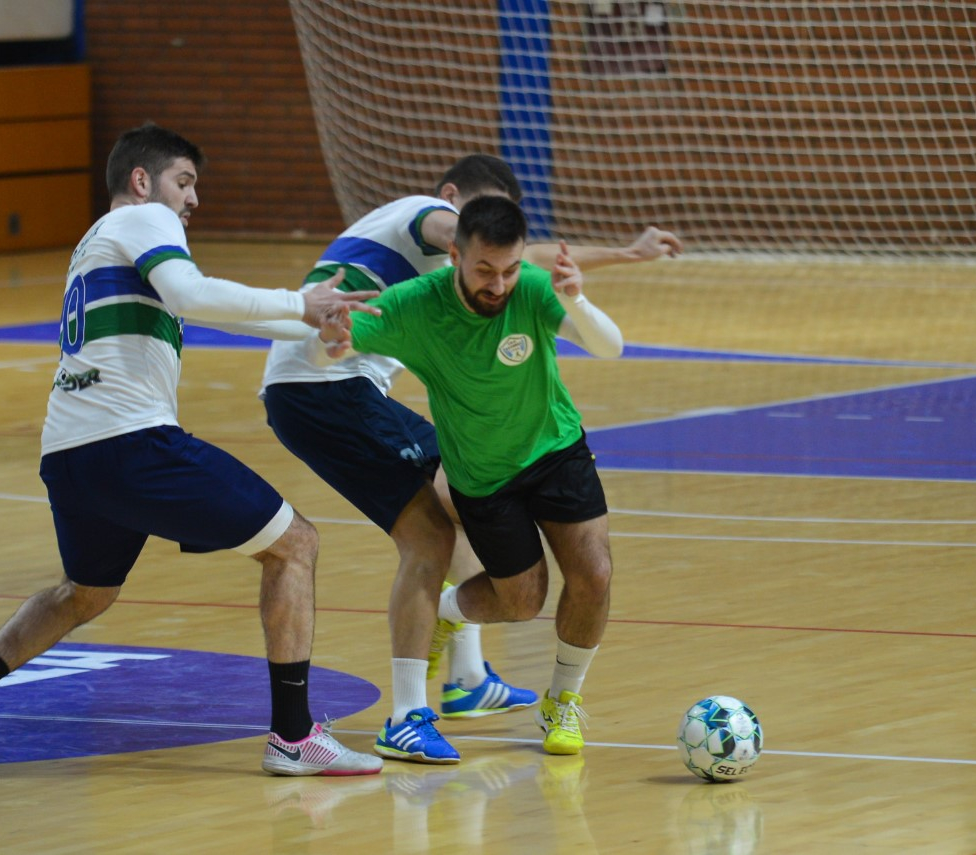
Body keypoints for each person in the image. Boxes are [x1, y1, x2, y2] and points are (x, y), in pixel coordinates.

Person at [0, 122, 384, 777]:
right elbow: (193, 294)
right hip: (131, 441)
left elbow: (209, 305)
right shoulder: (146, 218)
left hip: (69, 454)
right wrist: (302, 299)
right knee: (296, 544)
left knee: (84, 594)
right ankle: (293, 736)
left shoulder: (102, 244)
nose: (193, 199)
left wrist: (308, 319)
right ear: (143, 181)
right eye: (186, 181)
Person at [261, 155, 680, 764]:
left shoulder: (499, 276)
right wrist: (622, 251)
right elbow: (483, 244)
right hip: (323, 389)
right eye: (480, 253)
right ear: (454, 218)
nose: (500, 277)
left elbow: (528, 263)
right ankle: (411, 709)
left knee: (463, 507)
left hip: (358, 392)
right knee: (432, 534)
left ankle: (466, 669)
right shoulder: (427, 224)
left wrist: (613, 262)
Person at [312, 193, 626, 758]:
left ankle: (563, 701)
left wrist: (575, 300)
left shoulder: (531, 287)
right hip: (481, 479)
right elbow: (332, 350)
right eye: (484, 269)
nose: (498, 284)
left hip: (556, 449)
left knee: (595, 575)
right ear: (454, 255)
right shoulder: (413, 306)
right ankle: (448, 613)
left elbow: (610, 347)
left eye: (508, 269)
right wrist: (331, 338)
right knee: (523, 601)